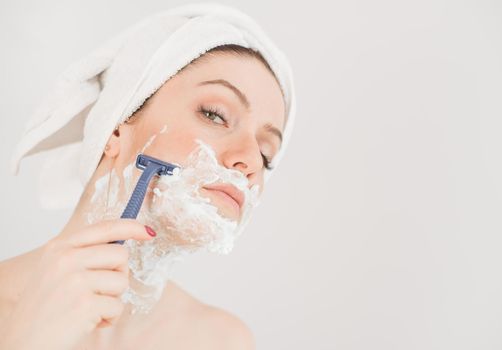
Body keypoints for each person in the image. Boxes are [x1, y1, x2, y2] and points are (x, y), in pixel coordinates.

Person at [0, 4, 296, 350]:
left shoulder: (222, 340)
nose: (249, 162)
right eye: (214, 115)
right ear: (114, 130)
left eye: (266, 154)